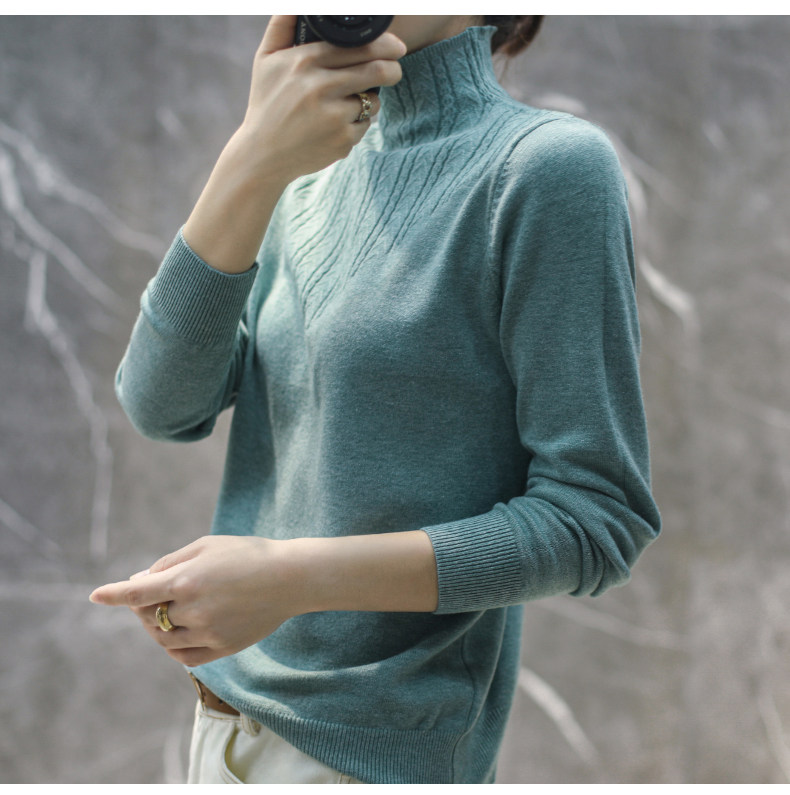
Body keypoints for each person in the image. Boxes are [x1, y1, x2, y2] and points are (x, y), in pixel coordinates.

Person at [90, 15, 661, 784]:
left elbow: (596, 520)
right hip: (224, 730)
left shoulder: (545, 167)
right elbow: (161, 404)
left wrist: (288, 577)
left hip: (372, 758)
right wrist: (250, 159)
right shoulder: (304, 175)